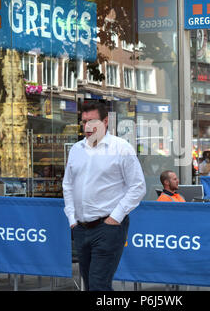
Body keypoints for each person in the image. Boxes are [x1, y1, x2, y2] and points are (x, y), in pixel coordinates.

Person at [62, 102, 146, 291]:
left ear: (105, 121)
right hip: (81, 228)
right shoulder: (76, 149)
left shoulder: (121, 148)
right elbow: (67, 185)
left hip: (107, 227)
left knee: (99, 285)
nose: (87, 127)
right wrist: (71, 219)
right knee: (90, 283)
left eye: (92, 121)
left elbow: (138, 186)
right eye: (84, 122)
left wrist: (115, 217)